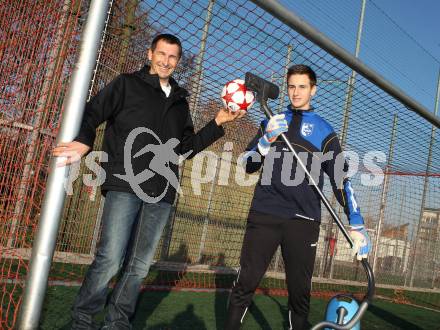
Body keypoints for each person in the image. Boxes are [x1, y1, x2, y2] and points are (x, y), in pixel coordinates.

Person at [53, 33, 244, 330]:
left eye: (172, 57)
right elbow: (93, 110)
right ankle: (82, 321)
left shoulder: (181, 102)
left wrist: (217, 123)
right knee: (110, 259)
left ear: (178, 61)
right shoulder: (127, 84)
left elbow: (184, 149)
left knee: (139, 266)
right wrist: (84, 139)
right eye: (162, 54)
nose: (166, 61)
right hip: (125, 183)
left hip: (162, 192)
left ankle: (117, 323)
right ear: (150, 54)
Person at [224, 64, 371, 330]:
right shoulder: (272, 120)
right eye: (291, 86)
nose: (295, 92)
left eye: (302, 86)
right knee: (244, 284)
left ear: (313, 90)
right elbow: (247, 163)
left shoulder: (324, 131)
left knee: (300, 296)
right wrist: (264, 141)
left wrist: (357, 223)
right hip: (265, 213)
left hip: (303, 221)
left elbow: (340, 180)